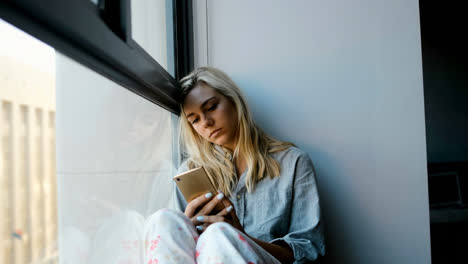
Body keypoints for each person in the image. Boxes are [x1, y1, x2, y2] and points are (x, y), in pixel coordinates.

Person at [146, 67, 325, 264]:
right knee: (162, 220)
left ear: (233, 100)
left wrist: (240, 238)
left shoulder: (294, 163)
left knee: (219, 234)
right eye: (195, 119)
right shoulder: (190, 171)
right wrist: (186, 229)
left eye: (212, 107)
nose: (206, 122)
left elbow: (309, 249)